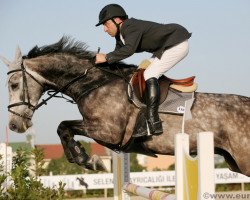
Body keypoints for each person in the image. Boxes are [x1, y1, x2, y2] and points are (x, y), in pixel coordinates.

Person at [95, 4, 191, 136]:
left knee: (150, 74)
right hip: (165, 47)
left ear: (117, 20)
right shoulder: (120, 36)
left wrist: (106, 57)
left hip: (176, 43)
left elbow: (128, 50)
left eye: (106, 24)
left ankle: (153, 122)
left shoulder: (129, 26)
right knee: (141, 72)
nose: (105, 29)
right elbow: (117, 55)